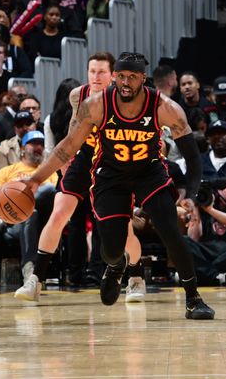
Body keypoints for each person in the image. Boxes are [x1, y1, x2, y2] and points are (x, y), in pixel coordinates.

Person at [25, 52, 215, 320]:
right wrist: (34, 179)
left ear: (143, 79)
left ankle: (193, 298)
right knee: (112, 246)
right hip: (110, 175)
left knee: (170, 230)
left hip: (149, 172)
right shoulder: (96, 105)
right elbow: (67, 147)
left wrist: (191, 194)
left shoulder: (165, 107)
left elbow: (193, 158)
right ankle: (116, 266)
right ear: (115, 77)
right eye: (121, 77)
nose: (126, 82)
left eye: (132, 77)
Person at [15, 52, 145, 302]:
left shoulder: (127, 99)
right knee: (59, 212)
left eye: (101, 72)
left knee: (122, 228)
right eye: (92, 71)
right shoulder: (78, 95)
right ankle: (35, 280)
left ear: (113, 76)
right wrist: (49, 171)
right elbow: (73, 136)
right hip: (85, 156)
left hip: (113, 160)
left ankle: (136, 278)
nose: (96, 77)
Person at [185, 176, 226, 284]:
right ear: (219, 191)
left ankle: (201, 275)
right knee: (183, 241)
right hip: (204, 252)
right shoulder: (203, 208)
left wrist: (210, 210)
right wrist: (196, 207)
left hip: (225, 253)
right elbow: (193, 237)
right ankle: (216, 277)